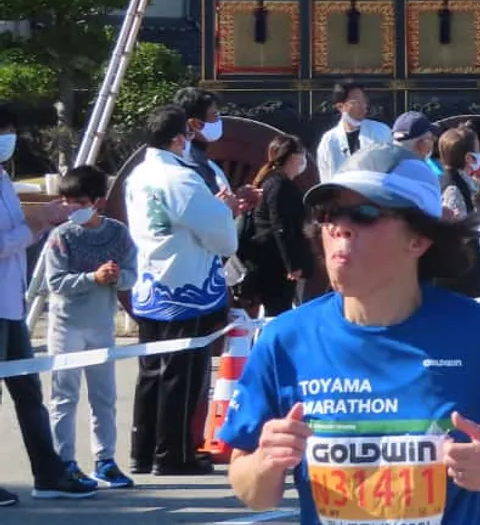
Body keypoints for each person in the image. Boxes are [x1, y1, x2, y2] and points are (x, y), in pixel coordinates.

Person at [218, 145, 480, 520]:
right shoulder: (286, 339)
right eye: (328, 214)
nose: (340, 227)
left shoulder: (479, 333)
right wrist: (265, 462)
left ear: (419, 239)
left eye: (365, 214)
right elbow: (252, 491)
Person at [126, 105, 243, 477]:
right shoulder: (182, 179)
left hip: (151, 279)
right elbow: (221, 237)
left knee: (150, 373)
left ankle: (142, 451)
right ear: (179, 138)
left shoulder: (138, 174)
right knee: (182, 373)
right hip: (185, 282)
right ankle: (172, 454)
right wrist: (224, 210)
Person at [1, 105, 100, 502]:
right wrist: (36, 223)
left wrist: (44, 220)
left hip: (10, 305)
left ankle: (49, 472)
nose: (8, 138)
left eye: (9, 129)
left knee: (27, 391)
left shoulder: (5, 180)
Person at [42, 165, 137, 494]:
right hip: (66, 326)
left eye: (78, 202)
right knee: (64, 397)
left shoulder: (118, 233)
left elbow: (132, 273)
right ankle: (64, 461)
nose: (71, 209)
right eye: (66, 202)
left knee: (104, 397)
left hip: (101, 326)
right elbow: (55, 282)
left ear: (96, 201)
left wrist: (116, 277)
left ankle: (105, 460)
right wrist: (91, 278)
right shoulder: (61, 236)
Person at [239, 136, 313, 316]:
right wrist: (292, 264)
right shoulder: (279, 184)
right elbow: (281, 226)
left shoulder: (276, 182)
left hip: (274, 259)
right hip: (274, 262)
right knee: (279, 311)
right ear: (293, 157)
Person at [436, 127, 480, 299]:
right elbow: (460, 231)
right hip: (459, 277)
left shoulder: (462, 182)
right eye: (478, 149)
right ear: (468, 157)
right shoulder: (452, 187)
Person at [315, 82, 392, 182]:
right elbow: (325, 176)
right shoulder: (329, 140)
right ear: (340, 106)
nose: (363, 106)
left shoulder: (381, 131)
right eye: (356, 102)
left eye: (364, 101)